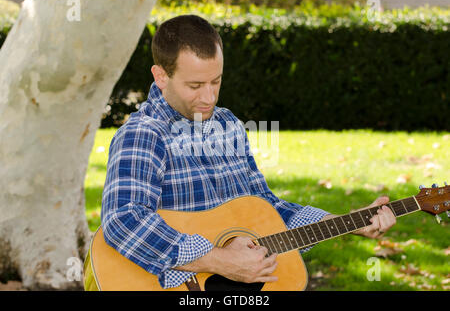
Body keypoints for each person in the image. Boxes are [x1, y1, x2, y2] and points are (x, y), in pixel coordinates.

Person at [99, 15, 396, 289]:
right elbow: (123, 219)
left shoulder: (227, 124)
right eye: (195, 85)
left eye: (216, 81)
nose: (209, 97)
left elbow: (267, 210)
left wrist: (346, 223)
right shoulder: (144, 134)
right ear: (161, 76)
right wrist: (217, 260)